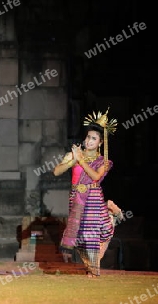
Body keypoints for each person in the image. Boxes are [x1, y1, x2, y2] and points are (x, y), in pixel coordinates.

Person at [53, 109, 117, 277]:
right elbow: (56, 172)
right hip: (76, 198)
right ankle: (91, 267)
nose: (89, 141)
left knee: (93, 233)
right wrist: (73, 160)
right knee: (81, 234)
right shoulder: (73, 155)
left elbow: (96, 176)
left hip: (93, 197)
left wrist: (81, 160)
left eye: (94, 138)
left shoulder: (103, 161)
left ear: (100, 143)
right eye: (88, 137)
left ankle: (93, 269)